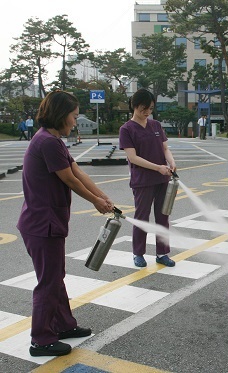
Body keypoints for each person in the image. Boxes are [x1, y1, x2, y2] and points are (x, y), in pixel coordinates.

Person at [17, 90, 114, 357]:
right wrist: (95, 201)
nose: (74, 122)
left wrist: (103, 196)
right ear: (61, 115)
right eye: (72, 116)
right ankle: (41, 339)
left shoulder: (52, 140)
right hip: (42, 224)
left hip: (45, 221)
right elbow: (69, 180)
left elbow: (77, 171)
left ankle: (63, 325)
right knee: (48, 282)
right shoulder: (47, 142)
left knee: (55, 278)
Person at [119, 88, 177, 268]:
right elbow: (133, 157)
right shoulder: (126, 129)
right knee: (142, 217)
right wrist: (157, 168)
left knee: (163, 216)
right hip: (142, 181)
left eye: (150, 109)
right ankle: (138, 253)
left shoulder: (156, 126)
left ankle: (162, 253)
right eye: (144, 108)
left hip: (162, 180)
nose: (147, 113)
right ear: (134, 106)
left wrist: (171, 163)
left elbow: (165, 148)